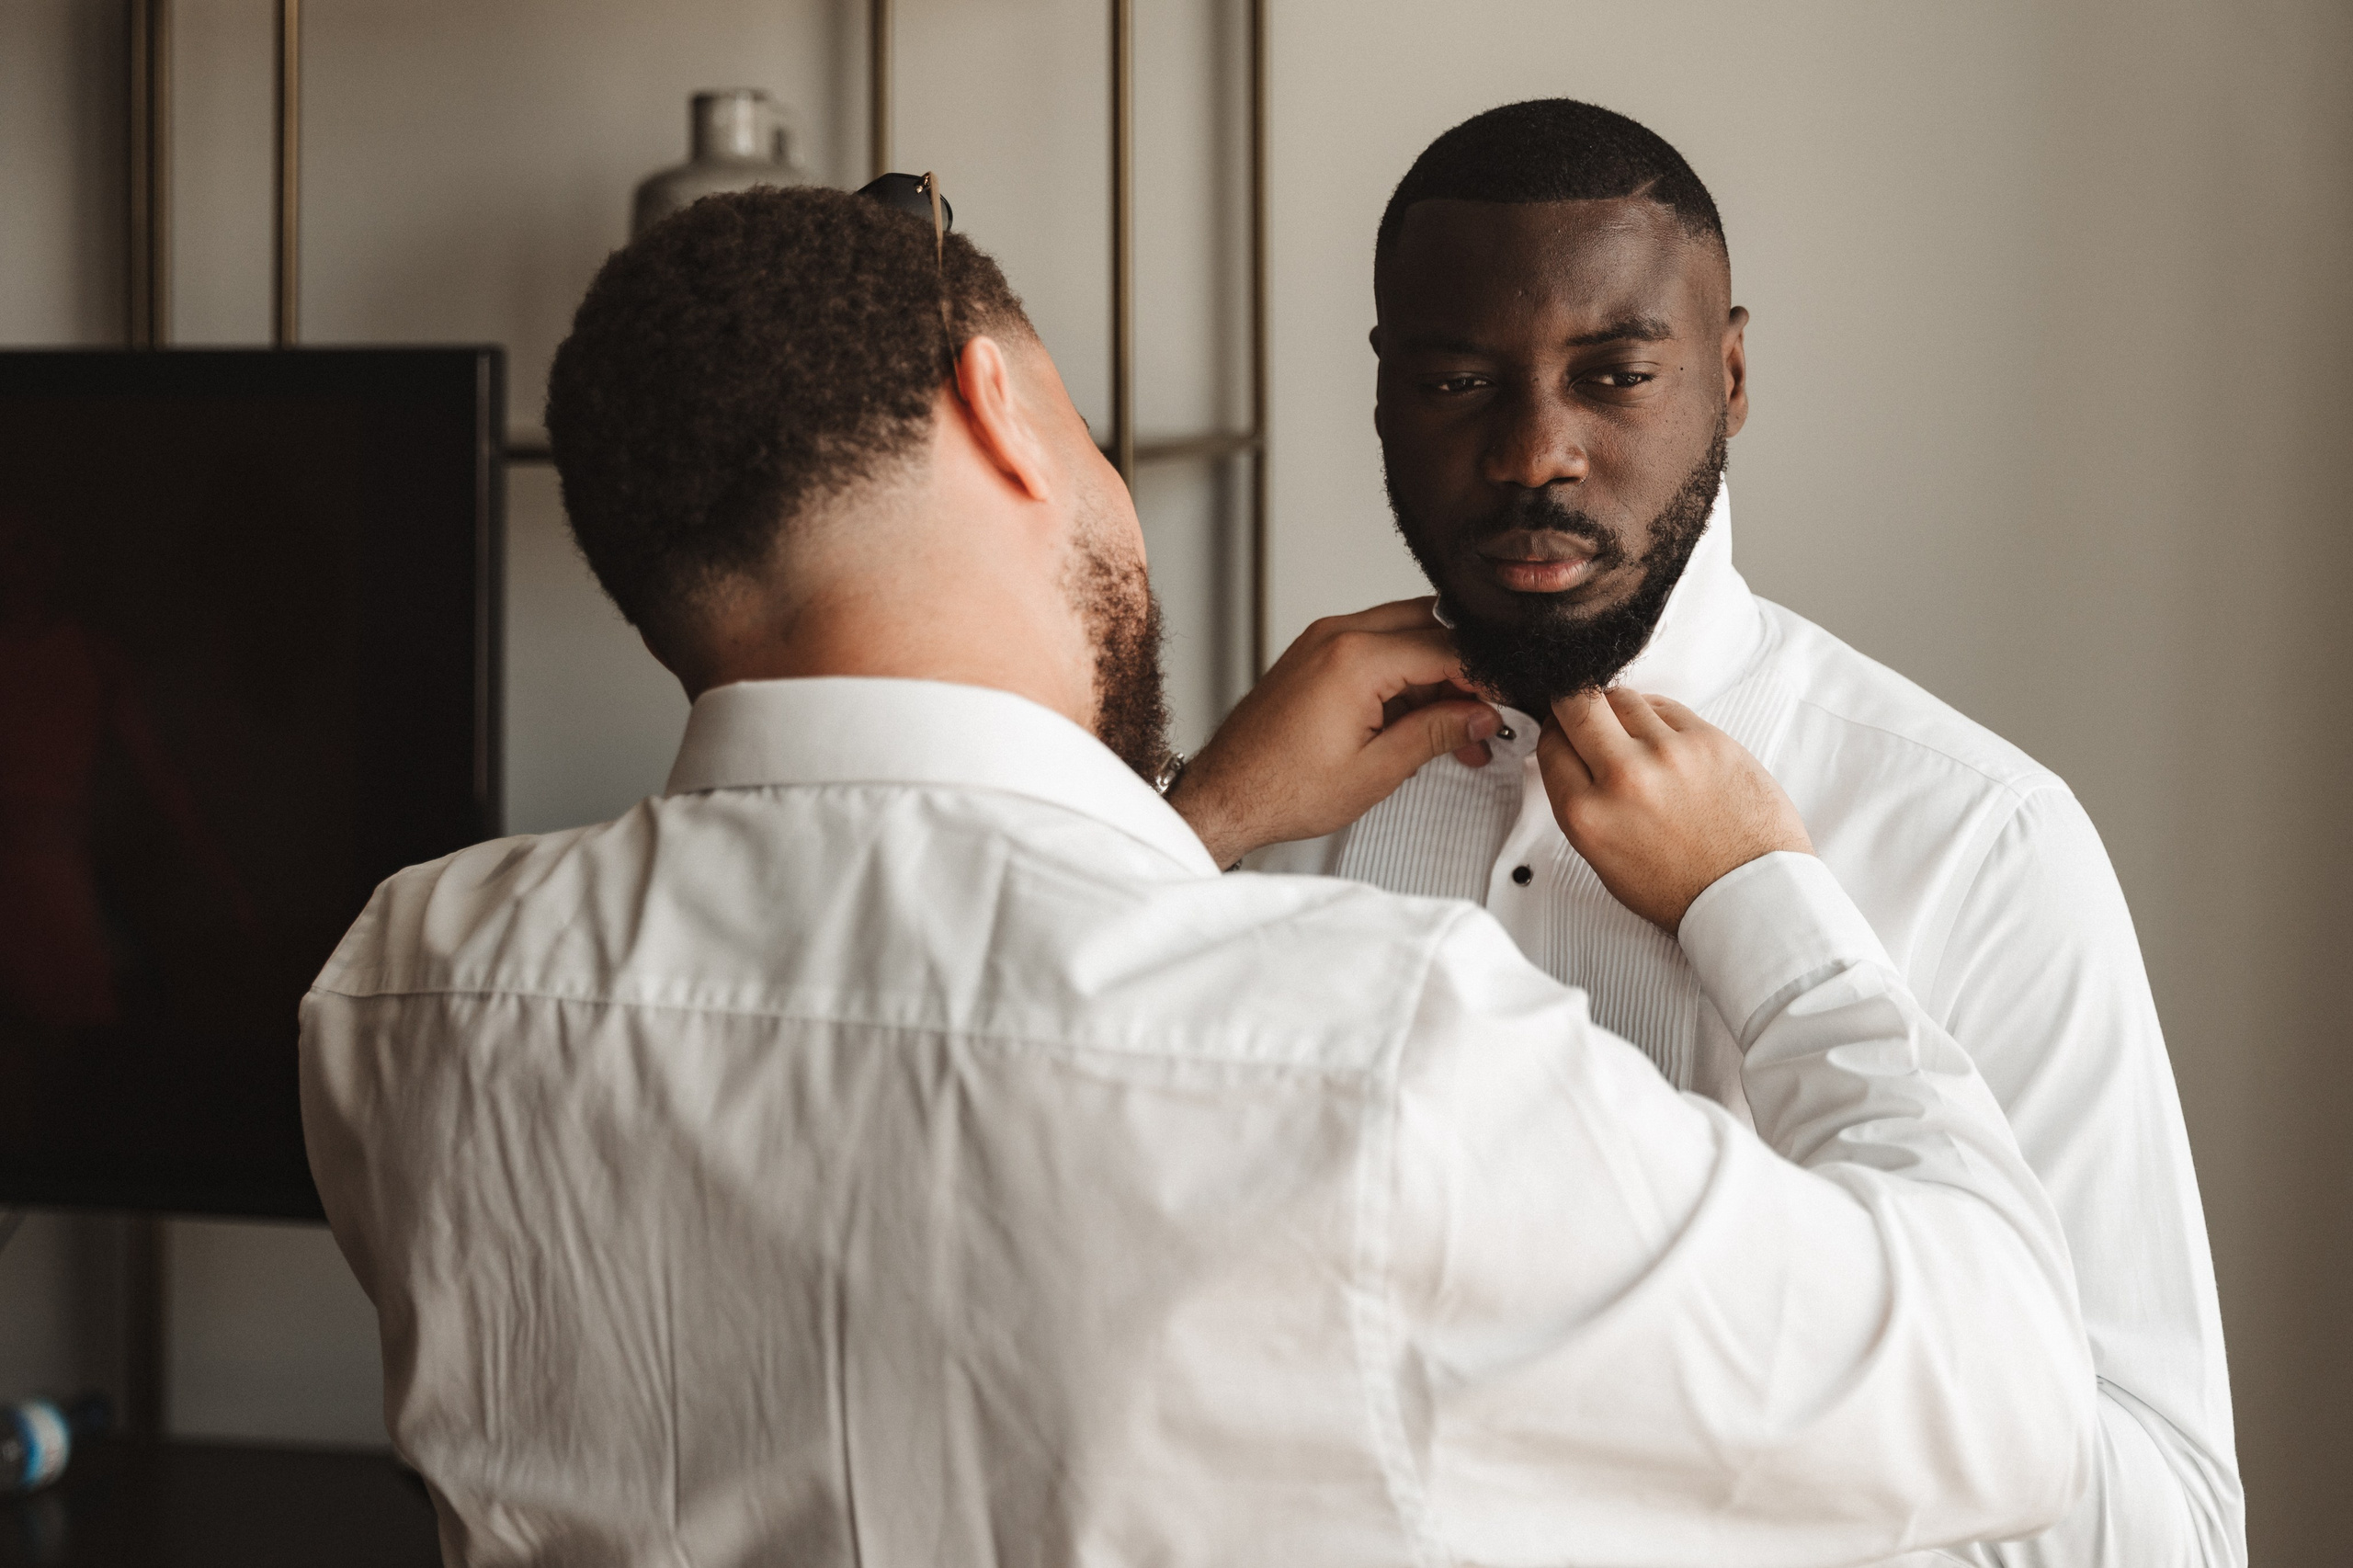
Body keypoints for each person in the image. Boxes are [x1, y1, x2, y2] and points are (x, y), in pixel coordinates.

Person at [300, 185, 2091, 1566]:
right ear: (999, 411)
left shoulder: (407, 995)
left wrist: (1187, 827)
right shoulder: (1362, 1052)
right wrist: (1761, 896)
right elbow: (2008, 1393)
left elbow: (903, 1124)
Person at [1247, 99, 2240, 1566]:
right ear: (1386, 394)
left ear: (1729, 375)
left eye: (1615, 375)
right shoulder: (1272, 808)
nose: (1537, 453)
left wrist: (1766, 911)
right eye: (1461, 379)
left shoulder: (1980, 840)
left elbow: (2165, 1533)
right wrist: (1196, 824)